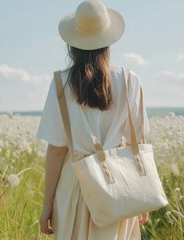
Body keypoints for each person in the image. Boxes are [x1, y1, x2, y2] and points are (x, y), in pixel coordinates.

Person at [36, 0, 150, 239]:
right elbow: (137, 141)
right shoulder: (130, 80)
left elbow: (57, 149)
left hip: (75, 186)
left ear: (72, 44)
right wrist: (143, 194)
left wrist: (47, 203)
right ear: (108, 41)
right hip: (120, 185)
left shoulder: (61, 83)